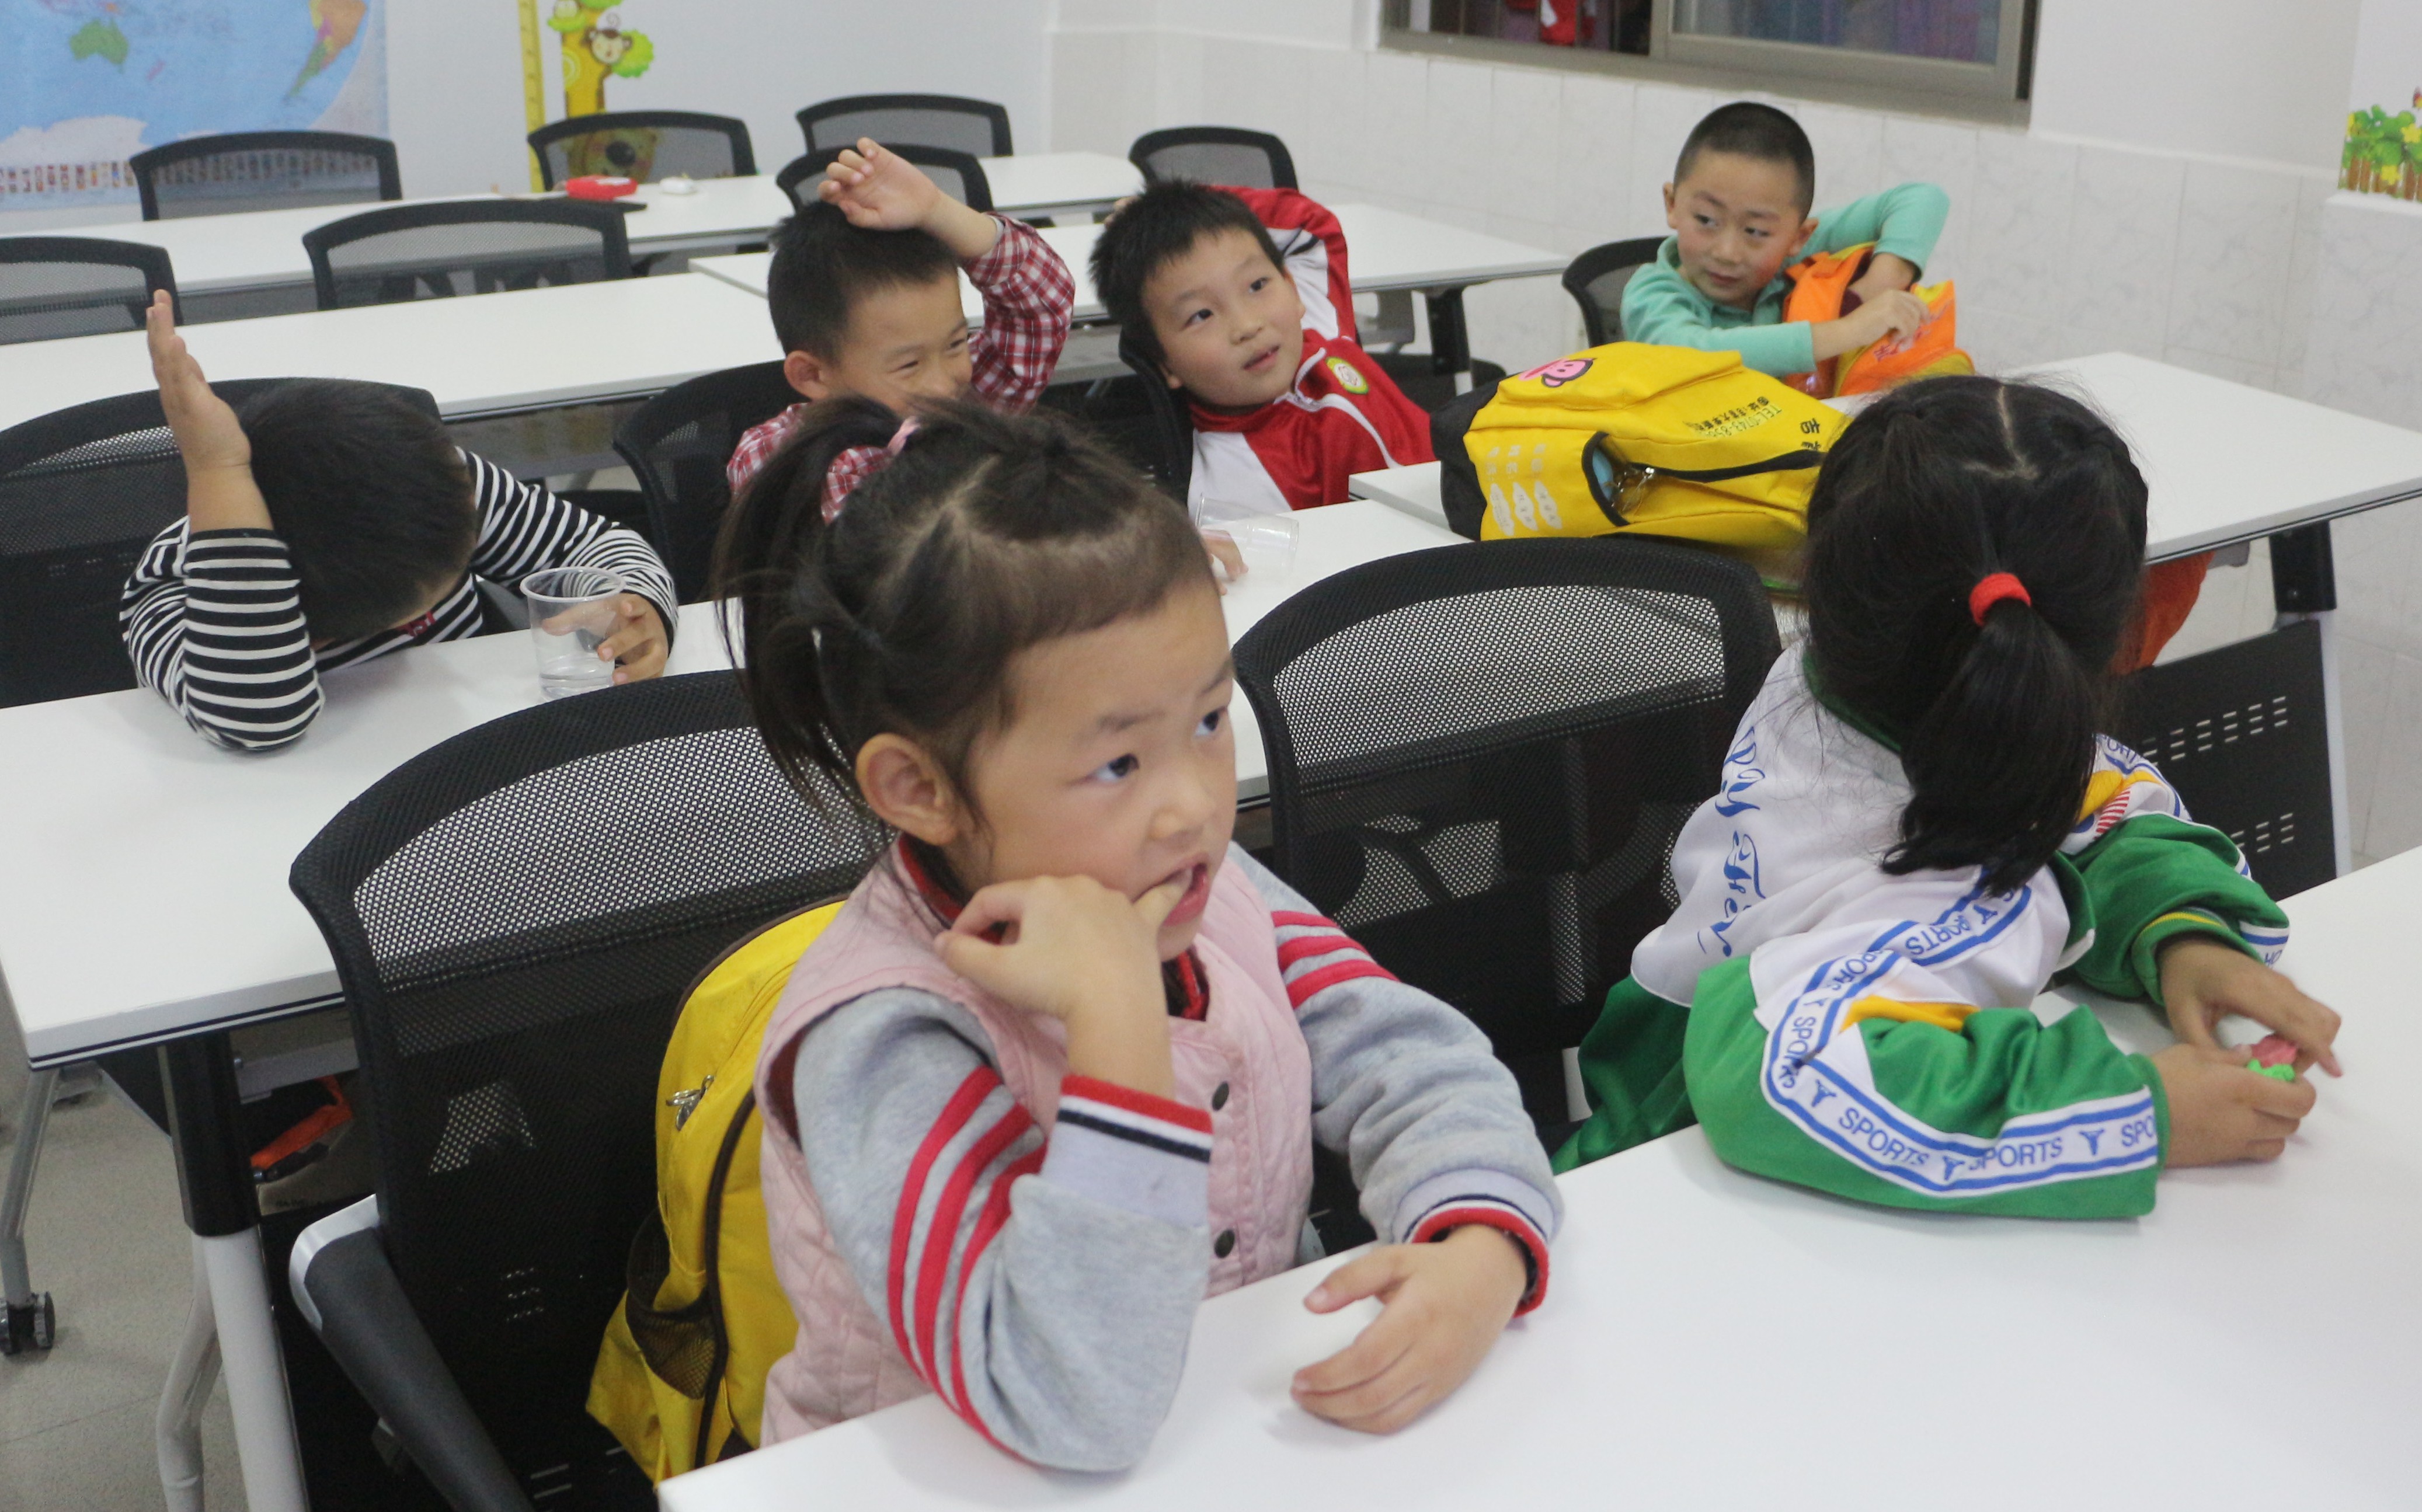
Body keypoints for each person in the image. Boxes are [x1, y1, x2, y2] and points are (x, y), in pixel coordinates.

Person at [716, 398, 1557, 1467]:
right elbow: (1070, 1406)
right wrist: (1119, 1028)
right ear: (919, 788)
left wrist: (1478, 1240)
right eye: (1118, 763)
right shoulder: (882, 1037)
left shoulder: (1210, 887)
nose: (1194, 806)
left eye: (1207, 721)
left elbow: (1411, 1057)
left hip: (1230, 1432)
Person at [1554, 376, 2340, 1217]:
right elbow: (1789, 1070)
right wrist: (2137, 1114)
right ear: (2118, 632)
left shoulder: (1833, 679)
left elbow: (2100, 816)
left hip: (1689, 1127)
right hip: (1660, 1187)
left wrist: (2180, 934)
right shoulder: (1917, 871)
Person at [121, 293, 676, 752]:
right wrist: (217, 469)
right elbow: (259, 723)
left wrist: (636, 604)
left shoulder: (441, 484)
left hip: (469, 751)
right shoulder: (172, 588)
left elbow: (594, 543)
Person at [724, 139, 1074, 514]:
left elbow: (1041, 304)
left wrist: (937, 211)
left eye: (956, 344)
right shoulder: (777, 458)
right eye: (909, 365)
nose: (943, 385)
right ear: (812, 375)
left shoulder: (968, 406)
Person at [1089, 179, 1433, 515]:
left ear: (1293, 289)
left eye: (1256, 286)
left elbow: (1309, 223)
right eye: (1202, 315)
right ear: (1164, 364)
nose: (1247, 326)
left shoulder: (1315, 324)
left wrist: (1183, 209)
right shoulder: (1232, 492)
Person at [1622, 100, 1950, 384]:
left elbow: (1922, 200)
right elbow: (1692, 353)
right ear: (1672, 204)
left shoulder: (1791, 252)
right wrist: (1847, 330)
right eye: (1706, 220)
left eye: (1755, 232)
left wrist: (1878, 286)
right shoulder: (1651, 294)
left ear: (1799, 237)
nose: (1727, 252)